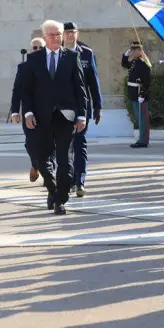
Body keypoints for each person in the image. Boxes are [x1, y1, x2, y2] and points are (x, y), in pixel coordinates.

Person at [21, 19, 88, 215]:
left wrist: (82, 115)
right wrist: (28, 112)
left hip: (65, 117)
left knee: (65, 160)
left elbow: (80, 88)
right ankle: (52, 189)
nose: (57, 38)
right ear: (44, 37)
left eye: (59, 34)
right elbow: (27, 90)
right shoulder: (34, 59)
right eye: (52, 35)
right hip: (41, 117)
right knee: (42, 159)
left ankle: (61, 199)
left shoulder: (71, 57)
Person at [63, 21, 102, 197]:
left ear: (77, 34)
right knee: (64, 146)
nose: (70, 35)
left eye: (73, 32)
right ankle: (69, 179)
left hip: (82, 107)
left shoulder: (86, 53)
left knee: (79, 144)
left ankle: (80, 181)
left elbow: (94, 81)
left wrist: (98, 105)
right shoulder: (57, 53)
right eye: (67, 32)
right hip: (62, 107)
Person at [10, 37, 46, 183]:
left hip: (47, 111)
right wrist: (15, 111)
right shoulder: (23, 67)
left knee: (49, 143)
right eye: (35, 48)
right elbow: (16, 90)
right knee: (31, 143)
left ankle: (47, 171)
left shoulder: (51, 65)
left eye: (40, 48)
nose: (37, 50)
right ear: (30, 50)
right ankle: (35, 165)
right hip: (29, 112)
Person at [122, 40, 151, 148]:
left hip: (139, 94)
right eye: (131, 50)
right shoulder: (134, 62)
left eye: (135, 50)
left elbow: (146, 82)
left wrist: (142, 95)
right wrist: (126, 54)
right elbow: (125, 64)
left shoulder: (143, 64)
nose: (132, 52)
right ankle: (141, 139)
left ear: (140, 51)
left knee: (142, 119)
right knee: (139, 119)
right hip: (134, 94)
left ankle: (143, 141)